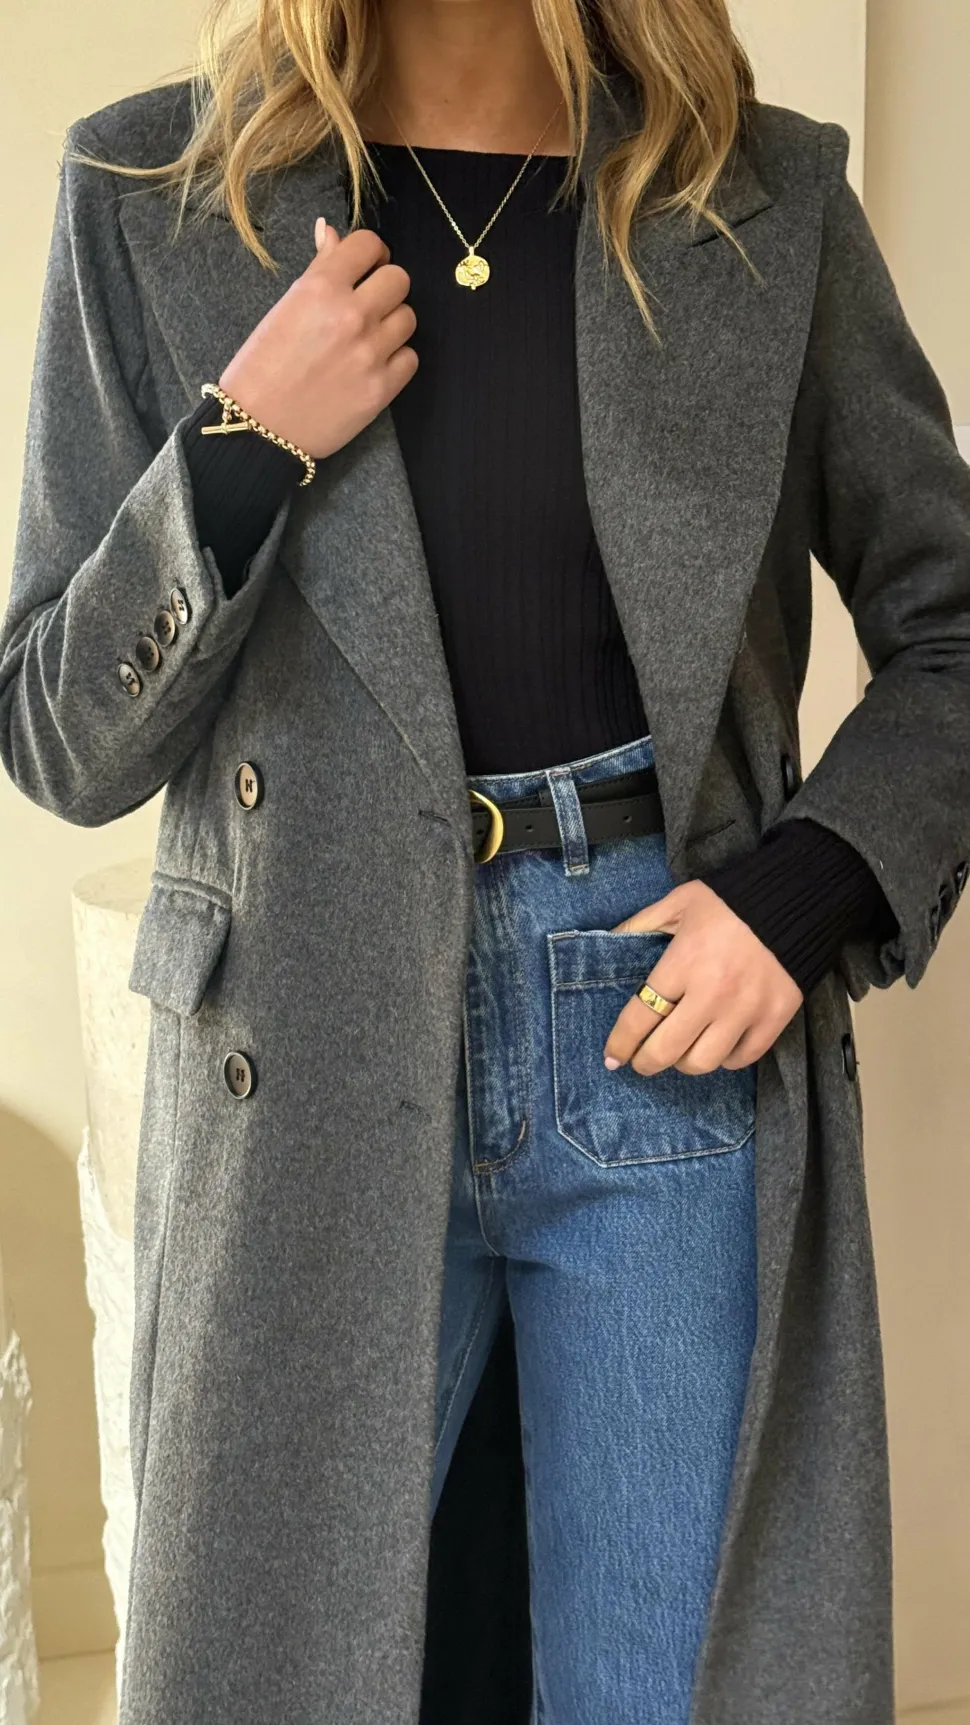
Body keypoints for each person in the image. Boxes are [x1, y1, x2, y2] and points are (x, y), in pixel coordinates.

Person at [1, 0, 968, 1719]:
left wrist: (806, 889)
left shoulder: (763, 198)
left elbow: (949, 622)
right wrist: (239, 448)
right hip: (304, 1025)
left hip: (659, 1015)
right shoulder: (151, 191)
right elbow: (63, 740)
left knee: (677, 1684)